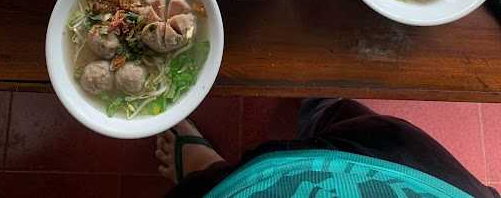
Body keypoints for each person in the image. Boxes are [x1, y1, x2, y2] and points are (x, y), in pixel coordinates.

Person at [156, 98, 499, 197]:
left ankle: (208, 171)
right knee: (350, 121)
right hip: (413, 176)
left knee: (212, 186)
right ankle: (322, 100)